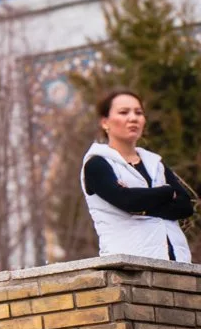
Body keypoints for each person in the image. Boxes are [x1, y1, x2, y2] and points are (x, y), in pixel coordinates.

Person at [81, 88, 194, 261]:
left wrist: (141, 205)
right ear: (105, 122)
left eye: (138, 112)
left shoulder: (155, 163)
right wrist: (166, 192)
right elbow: (127, 200)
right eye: (123, 112)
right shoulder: (97, 164)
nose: (133, 118)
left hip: (178, 263)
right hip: (129, 266)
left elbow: (185, 206)